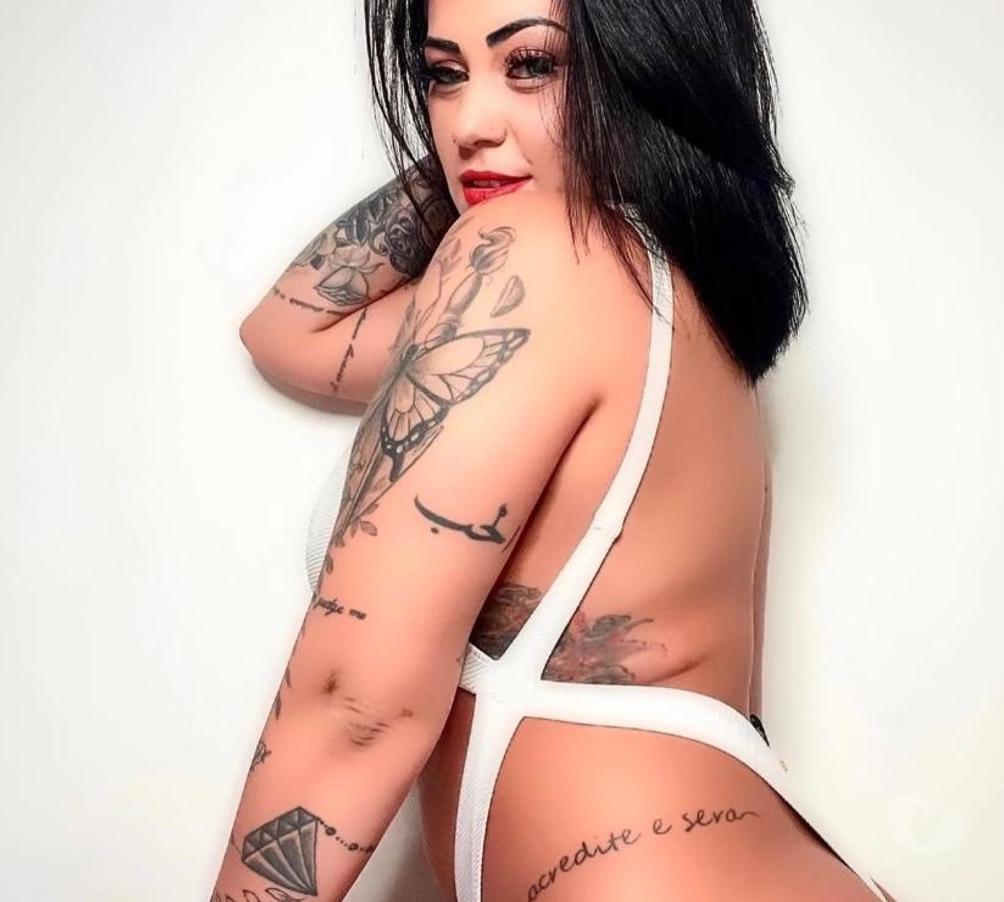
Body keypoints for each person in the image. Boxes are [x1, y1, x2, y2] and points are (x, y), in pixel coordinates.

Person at [211, 1, 902, 900]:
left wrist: (510, 161)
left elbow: (356, 708)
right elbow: (288, 329)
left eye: (532, 64)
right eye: (444, 75)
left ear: (644, 69)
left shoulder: (539, 260)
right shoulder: (646, 289)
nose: (467, 120)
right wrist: (504, 146)